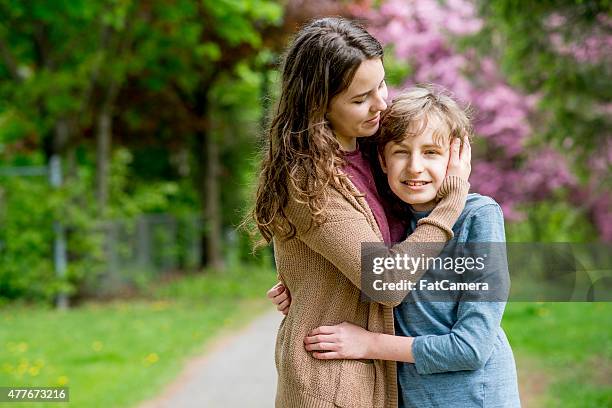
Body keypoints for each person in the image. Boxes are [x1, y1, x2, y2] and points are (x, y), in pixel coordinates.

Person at [254, 17, 471, 408]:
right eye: (360, 99)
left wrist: (306, 284)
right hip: (332, 382)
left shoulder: (369, 146)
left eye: (381, 85)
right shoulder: (308, 180)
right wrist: (452, 204)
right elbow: (386, 281)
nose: (381, 104)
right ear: (318, 103)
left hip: (375, 368)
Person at [295, 86, 521, 407]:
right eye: (401, 151)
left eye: (431, 152)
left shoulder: (479, 216)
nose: (415, 166)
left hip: (474, 397)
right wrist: (302, 284)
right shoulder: (392, 221)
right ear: (383, 161)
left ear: (456, 158)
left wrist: (370, 345)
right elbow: (367, 274)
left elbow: (471, 347)